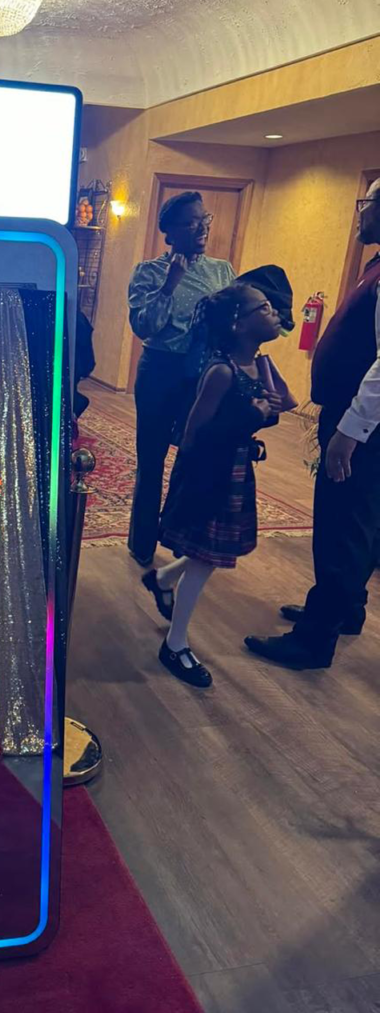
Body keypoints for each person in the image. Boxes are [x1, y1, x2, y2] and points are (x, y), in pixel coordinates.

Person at [245, 178, 380, 669]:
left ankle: (314, 640)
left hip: (360, 425)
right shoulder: (374, 266)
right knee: (356, 523)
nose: (359, 213)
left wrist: (349, 432)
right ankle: (345, 609)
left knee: (343, 527)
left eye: (366, 203)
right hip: (351, 417)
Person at [142, 285, 283, 687]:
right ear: (238, 324)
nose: (275, 313)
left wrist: (265, 400)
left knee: (213, 552)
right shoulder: (221, 371)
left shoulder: (255, 366)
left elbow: (284, 403)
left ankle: (163, 579)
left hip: (236, 470)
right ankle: (175, 643)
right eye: (264, 308)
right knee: (206, 559)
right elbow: (192, 436)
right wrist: (252, 416)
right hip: (210, 474)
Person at [127, 191, 236, 567]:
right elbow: (145, 326)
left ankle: (177, 535)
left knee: (191, 458)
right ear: (169, 232)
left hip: (204, 377)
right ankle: (142, 541)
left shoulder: (222, 271)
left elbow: (232, 323)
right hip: (160, 372)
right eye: (191, 222)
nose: (201, 227)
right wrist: (170, 284)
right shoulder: (148, 272)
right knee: (152, 459)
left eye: (204, 219)